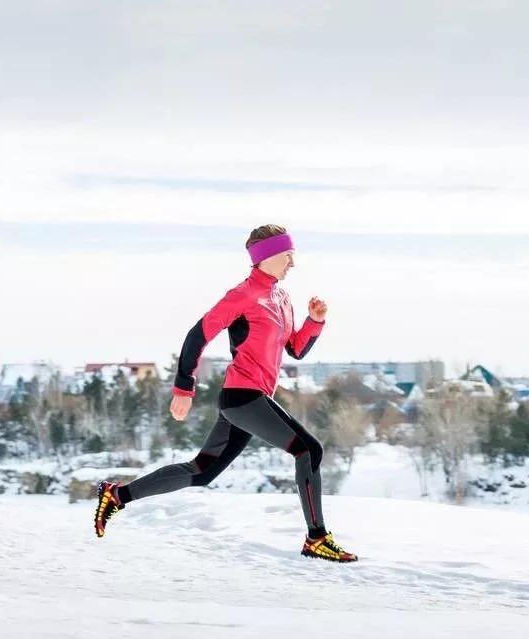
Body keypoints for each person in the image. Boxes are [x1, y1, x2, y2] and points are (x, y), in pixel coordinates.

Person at [93, 224, 358, 563]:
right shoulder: (243, 295)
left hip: (251, 400)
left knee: (201, 472)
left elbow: (294, 349)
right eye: (287, 255)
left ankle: (117, 496)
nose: (293, 262)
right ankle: (316, 538)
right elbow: (196, 336)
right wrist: (183, 388)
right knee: (309, 450)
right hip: (242, 397)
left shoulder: (281, 297)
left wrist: (314, 322)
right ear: (267, 256)